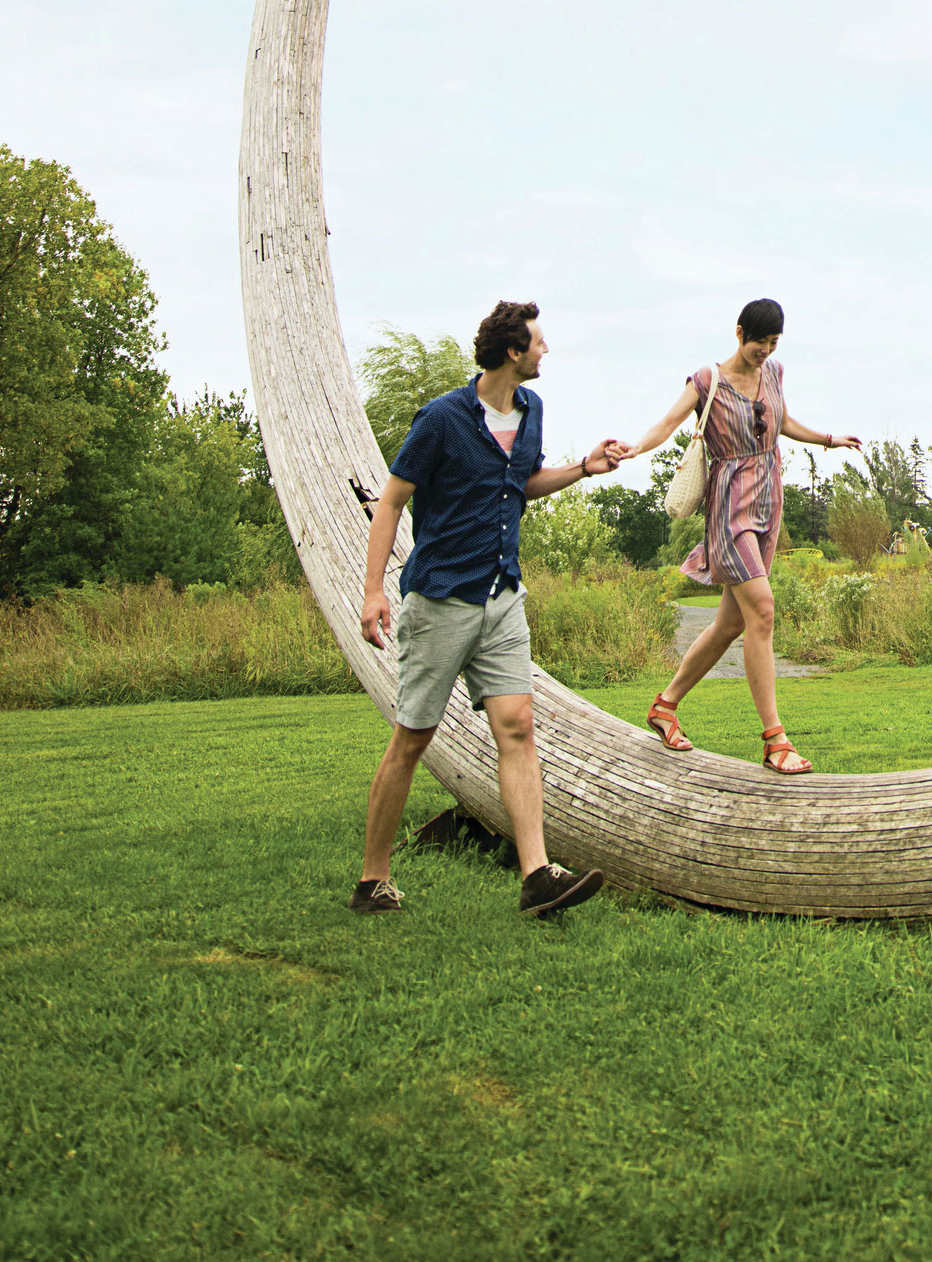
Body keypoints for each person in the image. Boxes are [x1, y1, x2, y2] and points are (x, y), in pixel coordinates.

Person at [351, 298, 635, 915]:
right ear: (514, 351)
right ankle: (373, 880)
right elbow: (393, 500)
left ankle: (537, 876)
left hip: (503, 596)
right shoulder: (442, 419)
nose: (546, 350)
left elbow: (522, 483)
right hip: (440, 600)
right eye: (539, 342)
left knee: (518, 726)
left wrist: (583, 469)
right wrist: (375, 589)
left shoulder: (531, 410)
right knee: (412, 740)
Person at [634, 297, 860, 774]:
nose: (766, 351)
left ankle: (666, 705)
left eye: (774, 343)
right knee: (762, 608)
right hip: (729, 510)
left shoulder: (774, 374)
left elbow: (781, 422)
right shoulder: (707, 381)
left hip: (768, 504)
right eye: (760, 342)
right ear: (739, 333)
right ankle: (775, 740)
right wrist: (633, 449)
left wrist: (827, 439)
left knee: (731, 624)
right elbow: (666, 424)